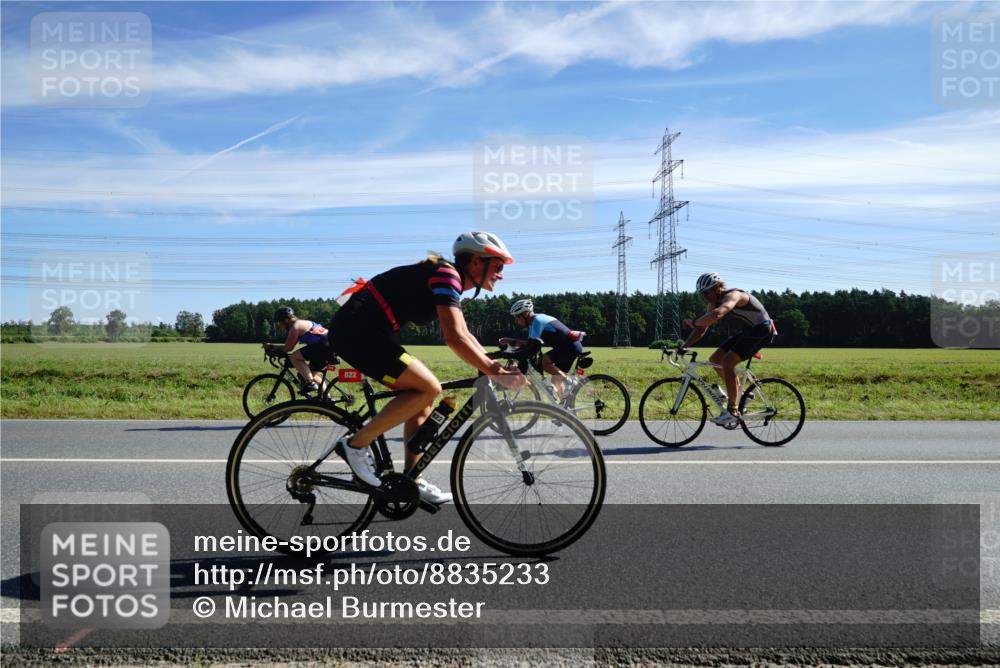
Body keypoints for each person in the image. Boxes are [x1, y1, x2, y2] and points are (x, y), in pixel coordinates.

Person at [329, 231, 526, 505]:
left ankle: (412, 480)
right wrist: (496, 372)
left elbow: (465, 334)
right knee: (428, 387)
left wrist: (495, 366)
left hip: (370, 333)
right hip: (356, 332)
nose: (501, 275)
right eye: (498, 266)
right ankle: (355, 445)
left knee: (424, 396)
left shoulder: (450, 278)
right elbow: (454, 338)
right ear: (476, 262)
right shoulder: (447, 275)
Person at [680, 272, 776, 424]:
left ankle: (733, 410)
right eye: (702, 294)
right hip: (749, 331)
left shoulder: (734, 295)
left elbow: (718, 313)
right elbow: (702, 328)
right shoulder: (713, 302)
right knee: (715, 359)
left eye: (707, 292)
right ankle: (741, 395)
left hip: (763, 330)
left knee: (727, 362)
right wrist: (684, 346)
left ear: (717, 287)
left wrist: (693, 322)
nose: (705, 297)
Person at [501, 299, 584, 400]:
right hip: (569, 346)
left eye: (517, 317)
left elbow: (531, 345)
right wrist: (511, 341)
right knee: (556, 380)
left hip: (569, 347)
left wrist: (512, 345)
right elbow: (530, 343)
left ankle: (569, 382)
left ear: (525, 314)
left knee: (544, 361)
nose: (516, 321)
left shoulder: (537, 321)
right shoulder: (535, 321)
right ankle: (565, 406)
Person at [272, 306, 332, 393]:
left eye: (279, 323)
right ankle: (327, 398)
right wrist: (273, 346)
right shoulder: (301, 323)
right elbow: (288, 345)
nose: (280, 326)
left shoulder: (295, 327)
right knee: (309, 374)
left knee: (294, 357)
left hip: (322, 345)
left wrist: (272, 349)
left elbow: (288, 348)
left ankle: (310, 383)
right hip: (328, 344)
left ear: (285, 320)